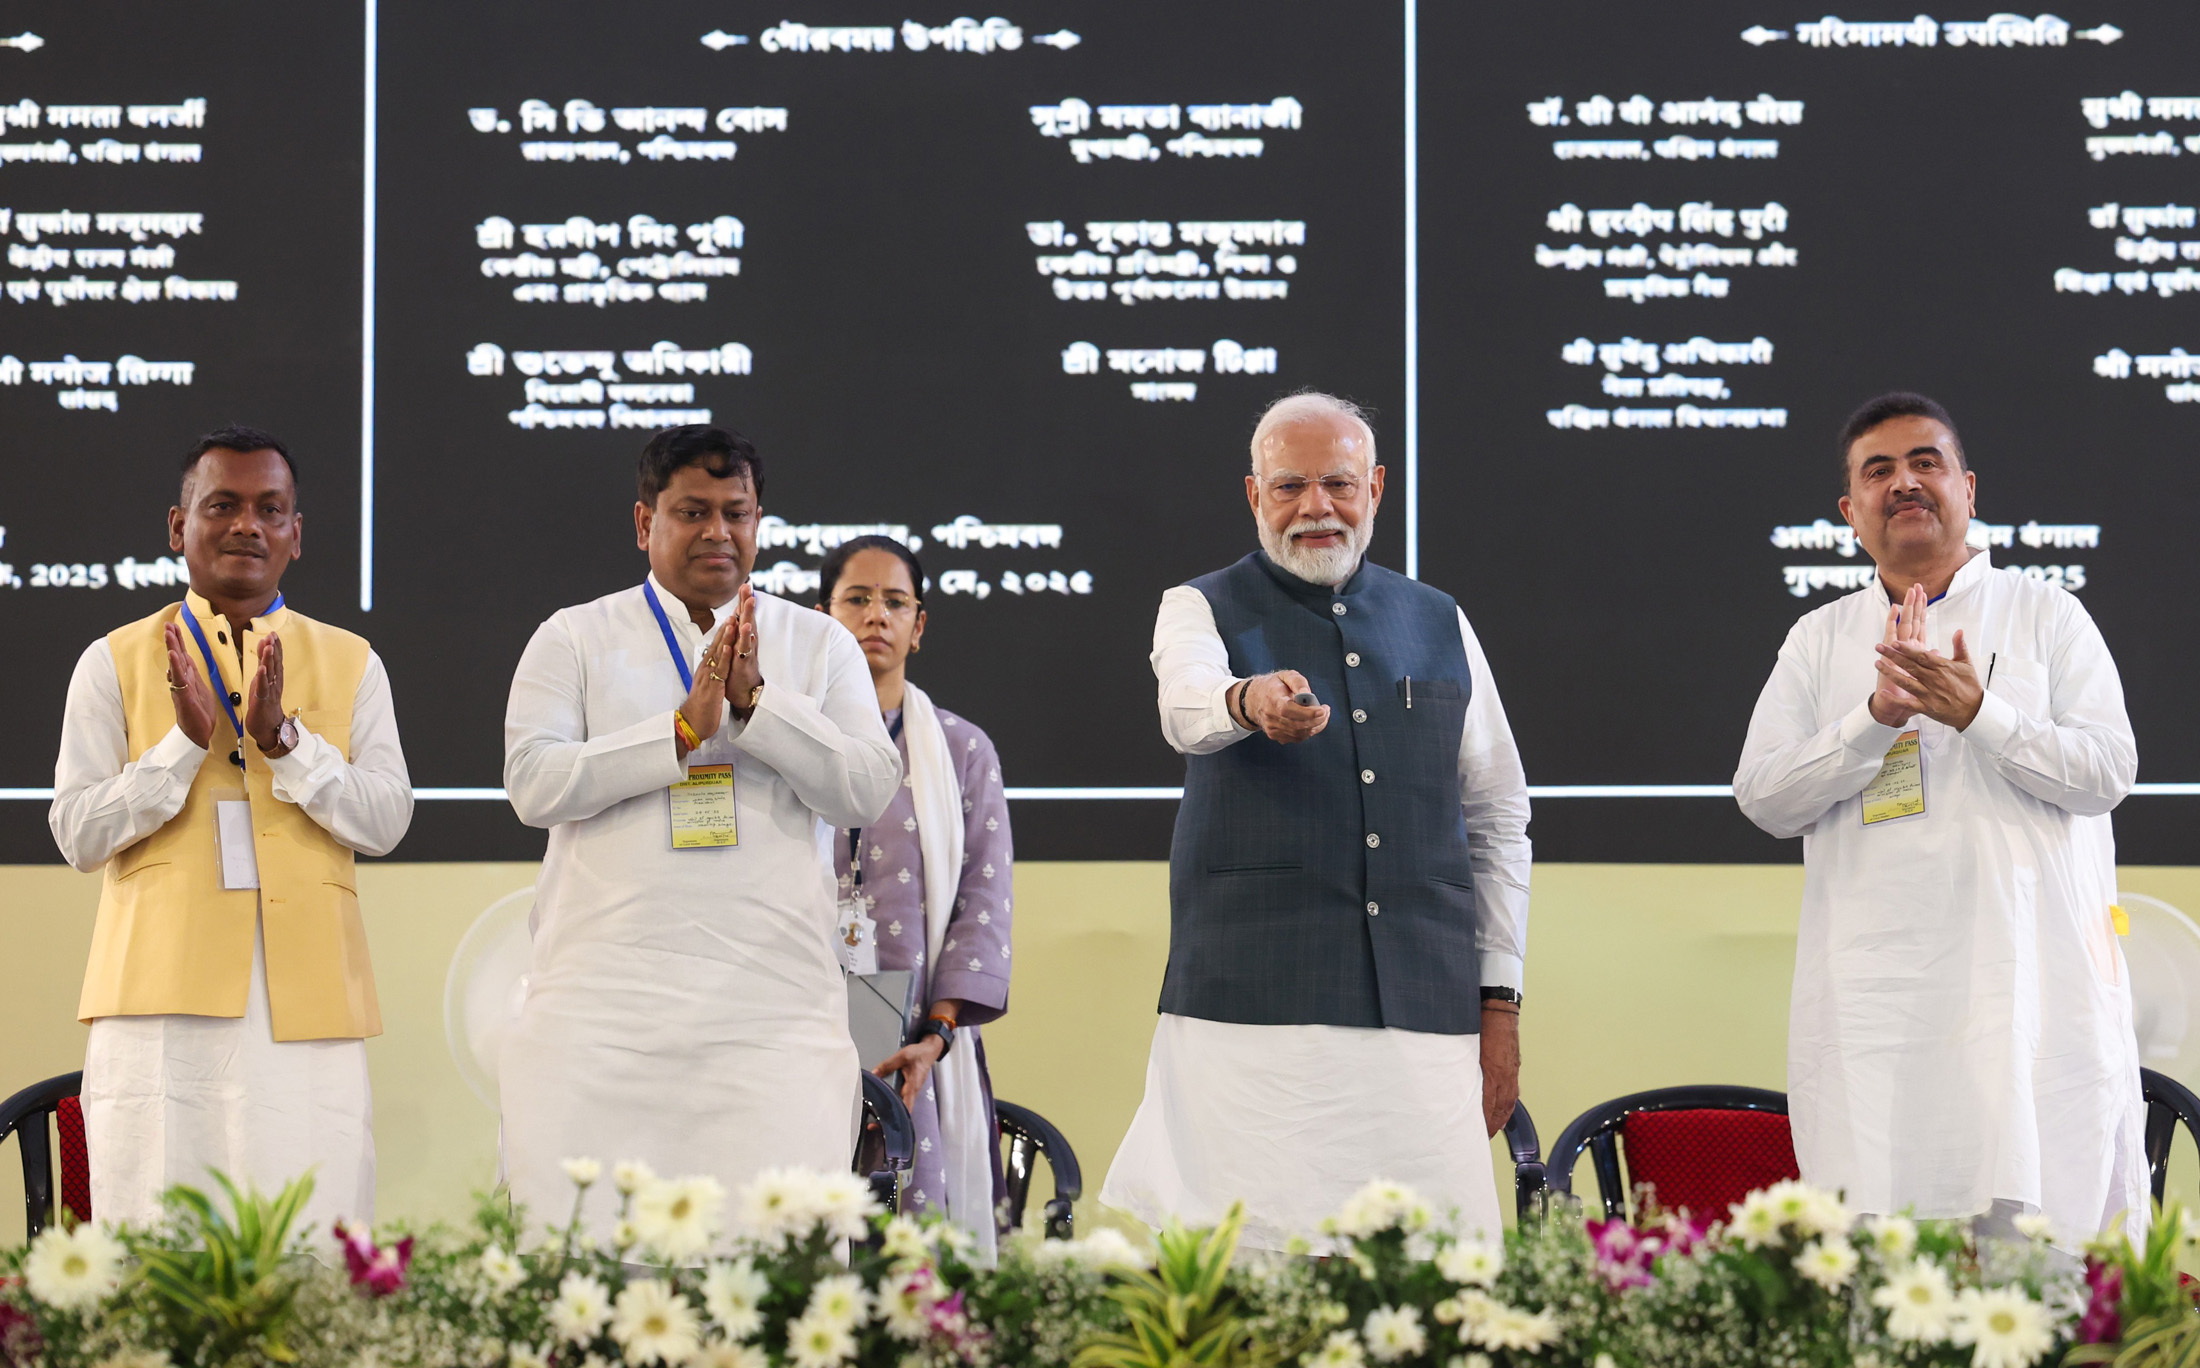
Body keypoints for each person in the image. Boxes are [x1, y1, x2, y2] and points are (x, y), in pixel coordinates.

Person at [1100, 392, 1533, 1248]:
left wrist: (1502, 1002)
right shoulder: (1197, 605)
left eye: (1336, 484)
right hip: (1249, 1023)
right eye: (1289, 485)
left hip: (1426, 1016)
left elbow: (1497, 812)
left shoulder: (1440, 619)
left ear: (1374, 488)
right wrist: (1246, 698)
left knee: (1432, 1275)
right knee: (1251, 1273)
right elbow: (1186, 704)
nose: (1315, 508)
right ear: (1254, 496)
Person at [1735, 392, 2145, 1247]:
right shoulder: (1818, 639)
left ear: (1967, 486)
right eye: (1878, 470)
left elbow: (2108, 771)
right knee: (1885, 1287)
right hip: (1877, 1012)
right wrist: (1870, 721)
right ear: (1850, 512)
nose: (1905, 483)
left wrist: (1981, 713)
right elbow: (1764, 797)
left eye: (1926, 462)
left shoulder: (2047, 615)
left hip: (2033, 1003)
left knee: (2041, 1281)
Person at [501, 425, 901, 1239]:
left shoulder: (816, 642)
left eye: (737, 513)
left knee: (772, 1273)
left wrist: (761, 707)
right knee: (592, 1268)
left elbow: (866, 787)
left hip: (772, 1026)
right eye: (693, 512)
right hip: (603, 1024)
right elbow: (533, 785)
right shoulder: (573, 637)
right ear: (644, 523)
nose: (719, 532)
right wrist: (677, 735)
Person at [49, 426, 413, 1231]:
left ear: (296, 535)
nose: (247, 524)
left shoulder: (353, 659)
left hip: (309, 1004)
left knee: (310, 1235)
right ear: (179, 529)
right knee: (161, 1235)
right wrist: (181, 744)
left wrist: (287, 741)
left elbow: (387, 819)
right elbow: (76, 832)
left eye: (269, 508)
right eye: (223, 505)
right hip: (159, 1005)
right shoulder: (110, 660)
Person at [816, 535, 1014, 1256]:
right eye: (857, 600)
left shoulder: (961, 751)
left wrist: (936, 1033)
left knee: (913, 1263)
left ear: (918, 625)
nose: (877, 616)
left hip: (917, 1052)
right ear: (821, 618)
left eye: (895, 602)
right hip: (800, 1039)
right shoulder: (780, 744)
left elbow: (983, 903)